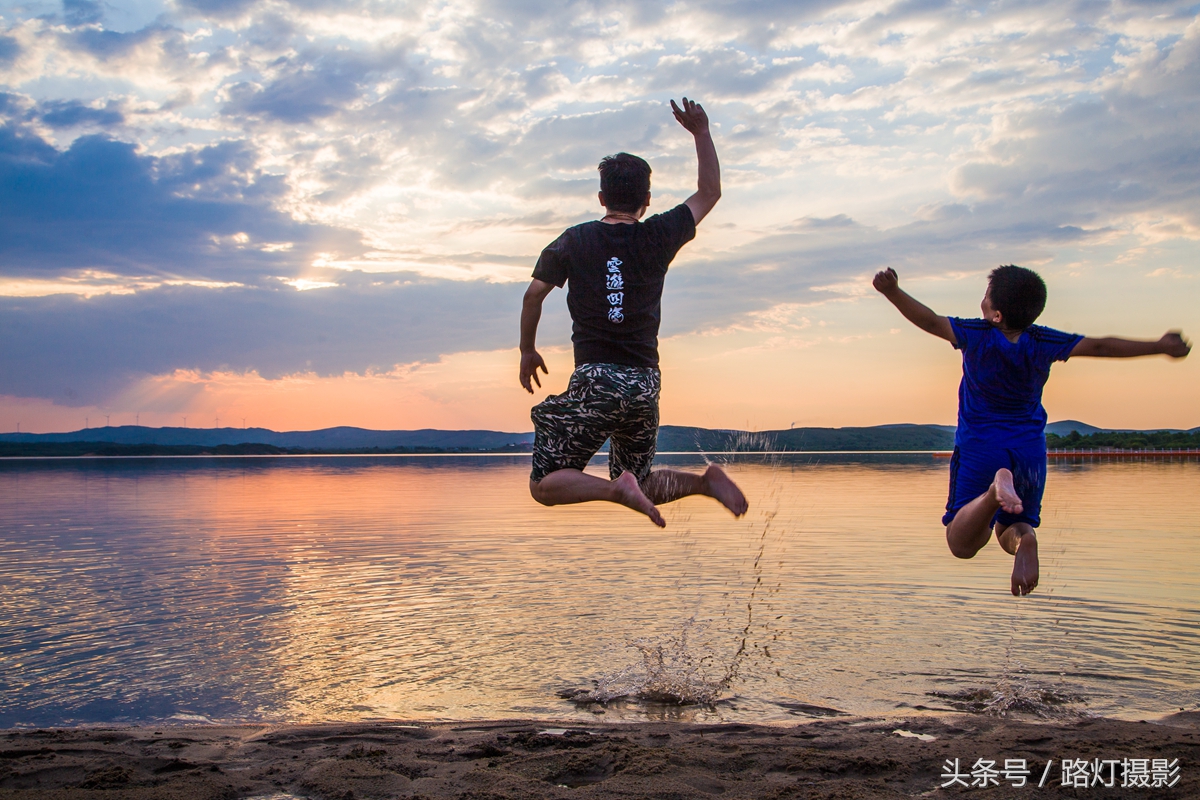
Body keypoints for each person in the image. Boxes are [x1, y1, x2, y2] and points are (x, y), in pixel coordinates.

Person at [873, 265, 1190, 595]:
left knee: (961, 543)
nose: (982, 302)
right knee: (1013, 529)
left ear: (996, 315)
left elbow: (930, 321)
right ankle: (1026, 539)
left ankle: (993, 493)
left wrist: (892, 291)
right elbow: (1100, 346)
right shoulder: (1043, 340)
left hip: (981, 447)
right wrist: (1159, 346)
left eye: (986, 297)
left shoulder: (976, 333)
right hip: (1028, 453)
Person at [518, 97, 748, 528]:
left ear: (601, 197)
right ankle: (703, 483)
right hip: (644, 384)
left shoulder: (572, 240)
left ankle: (615, 491)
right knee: (640, 479)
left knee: (544, 484)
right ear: (646, 199)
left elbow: (533, 296)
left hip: (596, 380)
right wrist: (701, 132)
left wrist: (527, 351)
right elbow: (709, 193)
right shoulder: (660, 234)